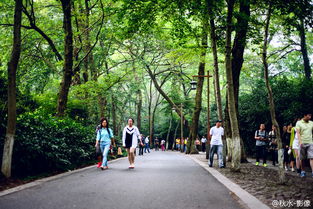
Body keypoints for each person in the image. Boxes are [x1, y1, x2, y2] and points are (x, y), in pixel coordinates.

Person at [296, 113, 313, 178]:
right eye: (309, 115)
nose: (310, 117)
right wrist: (300, 142)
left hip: (310, 142)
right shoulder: (299, 123)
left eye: (310, 115)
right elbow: (298, 133)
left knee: (311, 158)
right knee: (302, 159)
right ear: (305, 115)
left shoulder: (311, 123)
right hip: (302, 142)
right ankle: (303, 171)